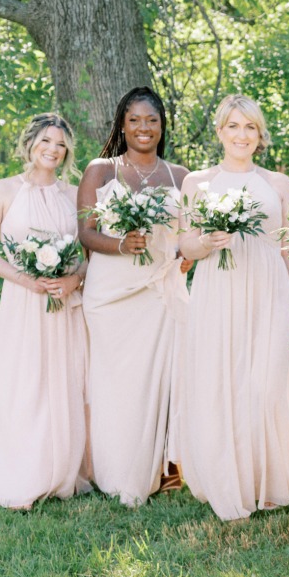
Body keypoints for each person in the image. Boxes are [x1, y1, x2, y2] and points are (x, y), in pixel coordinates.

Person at [178, 94, 289, 520]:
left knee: (265, 383)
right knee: (224, 381)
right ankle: (229, 479)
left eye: (250, 127)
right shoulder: (198, 182)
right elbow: (185, 246)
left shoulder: (278, 184)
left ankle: (267, 479)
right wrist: (207, 241)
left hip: (268, 289)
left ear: (260, 135)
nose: (241, 134)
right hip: (219, 288)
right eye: (233, 126)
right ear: (219, 132)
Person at [78, 87, 189, 507]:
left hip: (159, 291)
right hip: (111, 294)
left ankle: (162, 469)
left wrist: (185, 258)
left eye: (152, 121)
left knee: (158, 382)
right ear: (121, 125)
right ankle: (115, 471)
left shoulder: (179, 176)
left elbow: (188, 235)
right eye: (135, 120)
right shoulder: (101, 170)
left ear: (162, 126)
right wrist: (121, 245)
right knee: (115, 386)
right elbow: (85, 232)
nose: (144, 128)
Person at [0, 113, 90, 509]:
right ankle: (25, 473)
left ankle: (62, 471)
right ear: (29, 144)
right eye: (46, 141)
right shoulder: (3, 191)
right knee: (24, 383)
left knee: (65, 380)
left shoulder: (74, 195)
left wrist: (73, 280)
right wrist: (26, 280)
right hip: (23, 302)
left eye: (60, 144)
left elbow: (89, 256)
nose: (53, 150)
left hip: (64, 303)